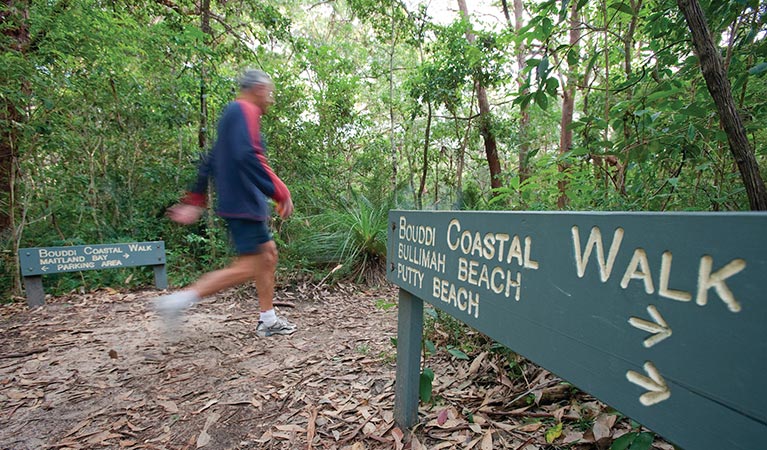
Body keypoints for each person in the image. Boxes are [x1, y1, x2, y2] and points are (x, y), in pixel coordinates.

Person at [154, 68, 296, 337]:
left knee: (268, 255)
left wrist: (195, 199)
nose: (271, 100)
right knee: (250, 265)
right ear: (259, 89)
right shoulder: (244, 110)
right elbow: (247, 156)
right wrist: (278, 191)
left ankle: (268, 319)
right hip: (242, 202)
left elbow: (212, 158)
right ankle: (176, 302)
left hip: (241, 201)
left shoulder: (233, 114)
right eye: (270, 93)